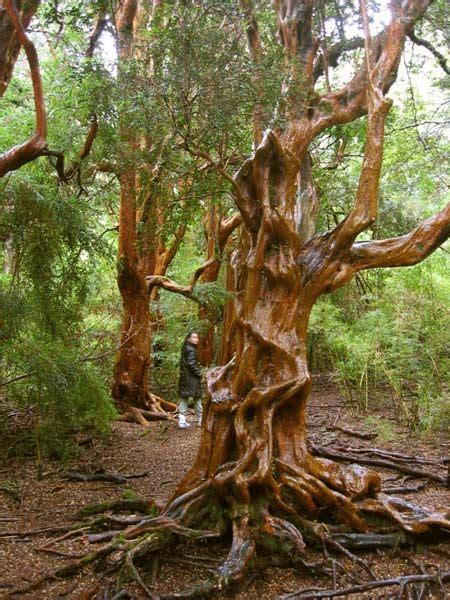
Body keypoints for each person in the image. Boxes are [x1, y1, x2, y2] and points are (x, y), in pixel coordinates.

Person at [178, 332, 203, 429]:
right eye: (194, 337)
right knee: (197, 397)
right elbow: (191, 364)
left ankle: (182, 420)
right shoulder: (191, 349)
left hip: (185, 378)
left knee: (184, 397)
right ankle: (201, 419)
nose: (197, 339)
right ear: (189, 339)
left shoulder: (185, 348)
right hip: (192, 378)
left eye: (197, 337)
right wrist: (200, 373)